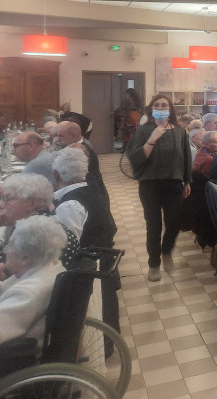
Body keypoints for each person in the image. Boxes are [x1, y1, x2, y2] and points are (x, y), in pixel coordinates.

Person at [52, 147, 120, 333]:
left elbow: (66, 247)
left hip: (89, 267)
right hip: (102, 257)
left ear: (56, 174)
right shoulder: (91, 192)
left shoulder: (71, 205)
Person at [126, 94, 192, 282]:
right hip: (150, 185)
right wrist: (152, 139)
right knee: (153, 225)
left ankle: (167, 251)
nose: (161, 108)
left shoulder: (180, 132)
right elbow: (136, 157)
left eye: (164, 105)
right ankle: (153, 264)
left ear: (170, 109)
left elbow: (186, 157)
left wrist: (187, 180)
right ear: (151, 108)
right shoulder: (144, 130)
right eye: (157, 105)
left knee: (173, 223)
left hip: (173, 183)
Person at [0, 215, 66, 350]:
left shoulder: (27, 293)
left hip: (15, 359)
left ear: (25, 257)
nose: (5, 250)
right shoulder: (52, 266)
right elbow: (6, 289)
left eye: (9, 245)